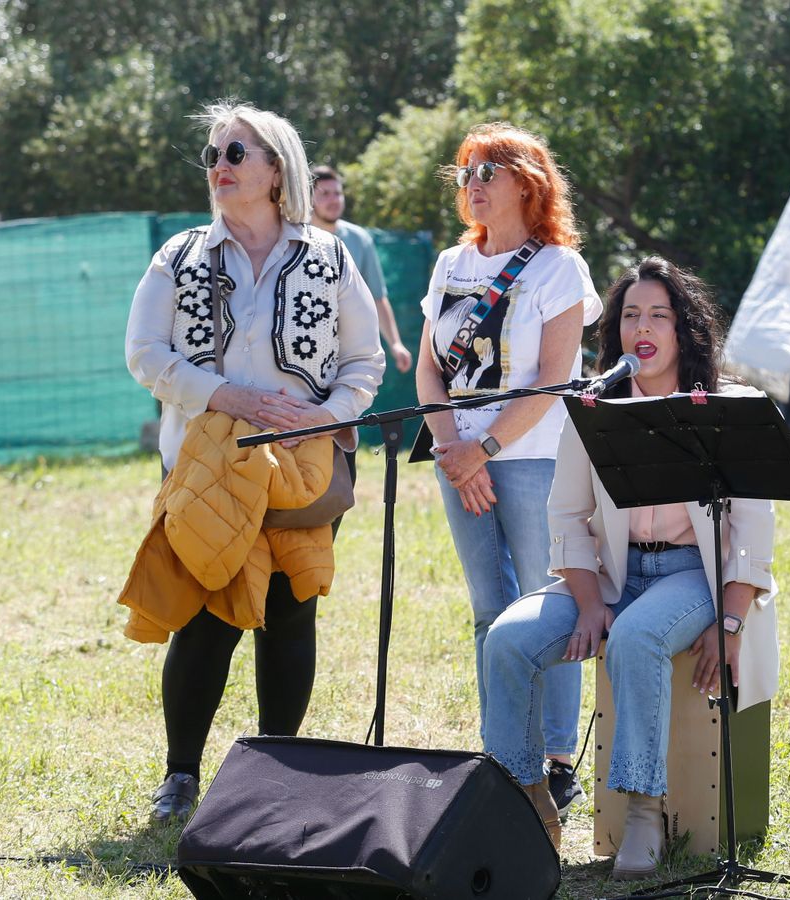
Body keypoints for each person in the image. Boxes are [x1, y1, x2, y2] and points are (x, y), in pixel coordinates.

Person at [125, 101, 385, 823]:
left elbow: (363, 361)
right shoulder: (179, 256)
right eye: (212, 154)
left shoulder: (329, 257)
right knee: (205, 620)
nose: (219, 167)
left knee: (288, 615)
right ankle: (180, 778)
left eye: (235, 153)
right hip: (206, 466)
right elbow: (144, 354)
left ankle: (277, 776)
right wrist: (225, 394)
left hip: (302, 470)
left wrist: (326, 418)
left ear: (277, 168)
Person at [480, 257, 778, 877]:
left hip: (693, 578)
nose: (643, 328)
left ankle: (643, 811)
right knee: (507, 639)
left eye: (659, 316)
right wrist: (589, 604)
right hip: (610, 577)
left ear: (685, 329)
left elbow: (751, 530)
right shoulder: (591, 407)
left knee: (637, 637)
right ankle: (523, 801)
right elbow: (566, 516)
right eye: (631, 316)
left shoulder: (729, 405)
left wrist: (730, 622)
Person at [414, 122, 601, 819]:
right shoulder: (449, 264)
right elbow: (428, 367)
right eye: (467, 171)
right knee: (489, 611)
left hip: (529, 460)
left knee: (544, 609)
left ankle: (555, 762)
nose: (474, 183)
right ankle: (502, 756)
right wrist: (450, 449)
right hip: (457, 460)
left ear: (528, 182)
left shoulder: (558, 268)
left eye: (489, 170)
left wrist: (482, 450)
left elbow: (556, 378)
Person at [310, 164, 413, 373]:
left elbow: (377, 296)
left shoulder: (360, 239)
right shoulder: (293, 237)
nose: (334, 199)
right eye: (325, 194)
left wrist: (395, 343)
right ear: (308, 198)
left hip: (349, 356)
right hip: (305, 348)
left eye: (338, 193)